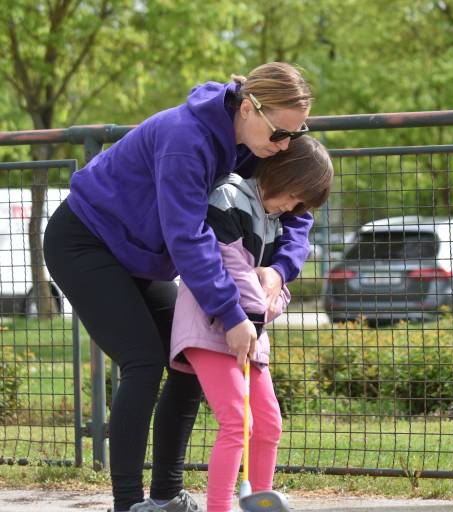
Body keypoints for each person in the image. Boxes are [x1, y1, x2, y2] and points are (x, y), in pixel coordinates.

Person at [43, 62, 316, 512]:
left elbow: (299, 204)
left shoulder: (261, 140)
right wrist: (230, 313)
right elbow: (187, 236)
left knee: (190, 352)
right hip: (85, 242)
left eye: (296, 134)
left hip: (138, 257)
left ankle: (166, 495)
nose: (286, 145)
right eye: (281, 134)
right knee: (144, 360)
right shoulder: (185, 140)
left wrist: (281, 269)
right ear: (248, 108)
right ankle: (129, 504)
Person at [170, 136, 333, 512]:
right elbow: (231, 267)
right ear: (279, 173)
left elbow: (276, 287)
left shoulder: (275, 222)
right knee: (236, 421)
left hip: (251, 332)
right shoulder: (228, 198)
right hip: (209, 326)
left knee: (269, 422)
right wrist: (257, 306)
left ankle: (260, 502)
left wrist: (272, 296)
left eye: (299, 204)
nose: (291, 207)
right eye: (291, 196)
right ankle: (219, 508)